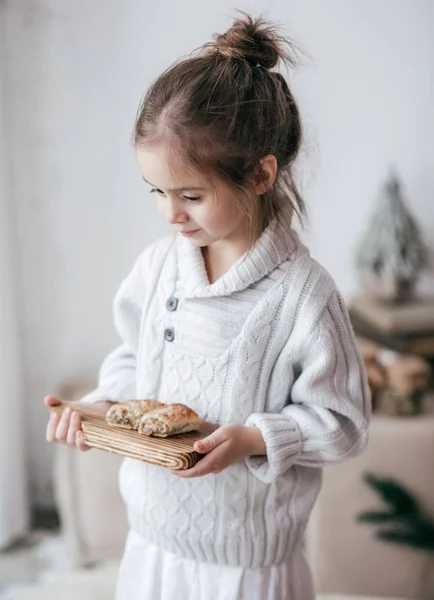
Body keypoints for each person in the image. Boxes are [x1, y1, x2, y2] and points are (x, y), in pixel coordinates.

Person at [45, 13, 371, 600]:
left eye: (190, 196)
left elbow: (343, 426)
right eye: (157, 193)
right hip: (152, 542)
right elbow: (131, 361)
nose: (170, 214)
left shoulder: (304, 297)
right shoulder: (157, 267)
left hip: (248, 565)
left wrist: (251, 439)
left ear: (260, 174)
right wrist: (99, 409)